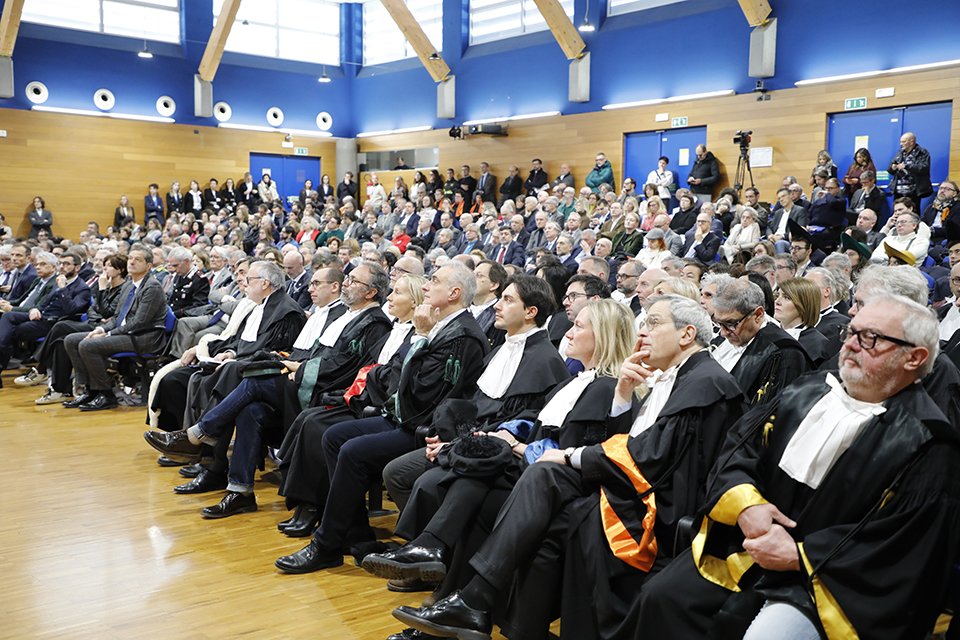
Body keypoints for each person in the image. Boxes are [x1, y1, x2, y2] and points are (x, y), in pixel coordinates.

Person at [392, 295, 745, 640]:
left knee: (539, 480)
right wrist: (623, 394)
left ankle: (471, 598)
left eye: (653, 323)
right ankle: (479, 607)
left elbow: (646, 456)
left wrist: (567, 455)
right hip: (627, 485)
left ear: (686, 334)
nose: (643, 332)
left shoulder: (705, 383)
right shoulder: (677, 378)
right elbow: (630, 446)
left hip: (655, 505)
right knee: (518, 506)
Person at [638, 294, 960, 640]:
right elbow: (738, 451)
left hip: (829, 581)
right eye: (851, 332)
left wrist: (800, 556)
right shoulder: (806, 391)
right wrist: (747, 506)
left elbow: (902, 548)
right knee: (662, 597)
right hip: (749, 546)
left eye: (870, 338)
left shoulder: (928, 442)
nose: (851, 344)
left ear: (914, 357)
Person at [272, 264, 492, 572]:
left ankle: (326, 545)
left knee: (352, 450)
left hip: (426, 428)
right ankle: (356, 535)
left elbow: (419, 393)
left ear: (454, 293)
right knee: (333, 436)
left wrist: (421, 336)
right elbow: (398, 378)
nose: (426, 287)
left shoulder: (463, 335)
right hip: (406, 416)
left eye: (434, 281)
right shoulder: (443, 325)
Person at [60, 245, 167, 411]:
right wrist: (101, 330)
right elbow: (118, 317)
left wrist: (108, 334)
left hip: (145, 337)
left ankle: (106, 394)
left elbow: (140, 322)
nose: (131, 262)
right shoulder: (129, 285)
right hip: (126, 333)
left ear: (148, 266)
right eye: (130, 258)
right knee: (71, 340)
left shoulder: (152, 287)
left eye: (137, 260)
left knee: (88, 345)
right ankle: (90, 391)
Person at [710, 275, 809, 405]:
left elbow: (771, 409)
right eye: (719, 323)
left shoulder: (785, 353)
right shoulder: (725, 339)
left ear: (758, 314)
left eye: (731, 324)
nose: (723, 333)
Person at [774, 278, 832, 367]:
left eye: (787, 297)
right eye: (777, 295)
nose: (777, 301)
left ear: (804, 304)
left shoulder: (818, 345)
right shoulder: (766, 332)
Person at [888, 131, 933, 213]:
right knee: (897, 213)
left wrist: (907, 166)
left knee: (913, 213)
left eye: (903, 142)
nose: (901, 144)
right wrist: (893, 168)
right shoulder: (900, 153)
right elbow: (889, 169)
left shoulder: (922, 153)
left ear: (911, 142)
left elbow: (924, 168)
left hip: (913, 191)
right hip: (898, 191)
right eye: (901, 142)